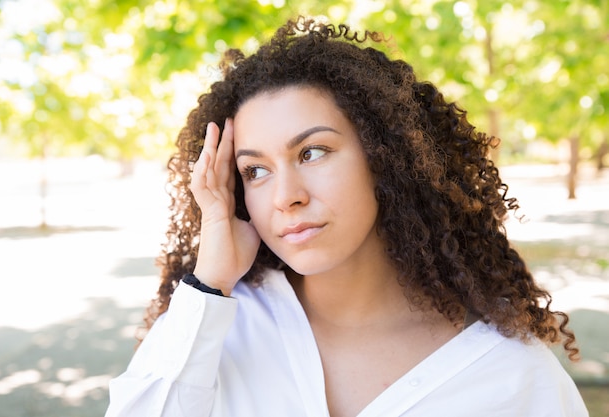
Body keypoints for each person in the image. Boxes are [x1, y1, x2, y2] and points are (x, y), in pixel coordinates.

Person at [105, 17, 588, 417]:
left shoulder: (512, 376)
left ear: (386, 159)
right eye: (255, 170)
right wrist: (208, 284)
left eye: (313, 152)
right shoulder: (218, 329)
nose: (285, 197)